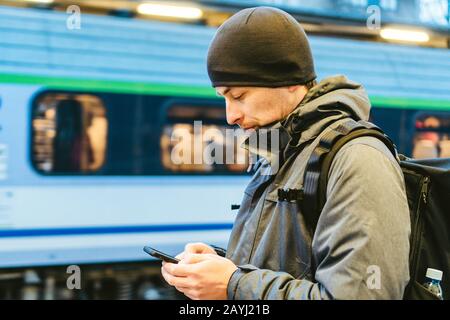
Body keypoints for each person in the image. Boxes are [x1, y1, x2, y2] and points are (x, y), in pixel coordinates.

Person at [161, 6, 411, 300]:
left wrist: (233, 285)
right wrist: (220, 267)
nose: (230, 116)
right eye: (224, 98)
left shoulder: (359, 158)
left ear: (288, 81)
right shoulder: (279, 152)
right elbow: (287, 267)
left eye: (239, 96)